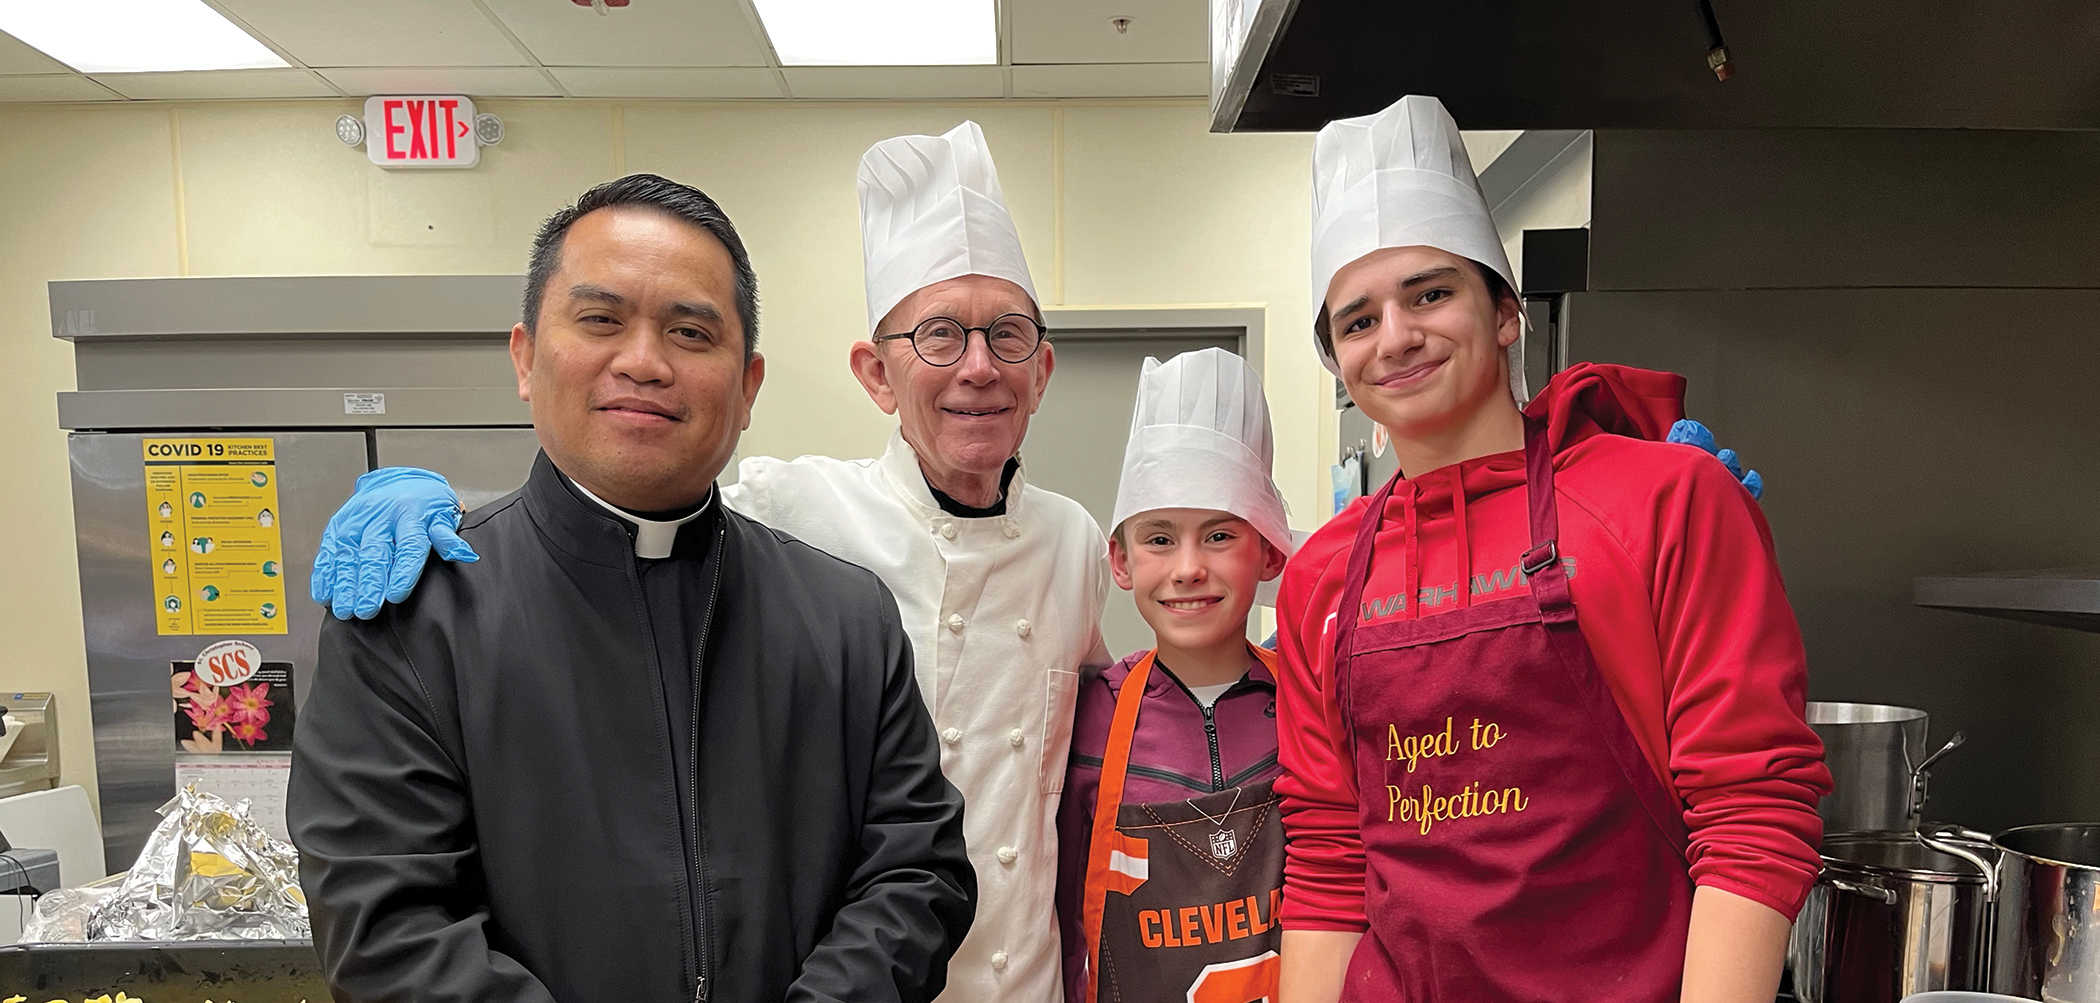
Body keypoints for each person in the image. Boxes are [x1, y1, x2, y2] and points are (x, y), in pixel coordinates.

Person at [307, 124, 1107, 1003]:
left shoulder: (1053, 549)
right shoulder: (423, 613)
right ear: (525, 357)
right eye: (941, 336)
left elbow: (925, 857)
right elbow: (388, 926)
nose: (644, 362)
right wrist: (438, 495)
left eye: (1008, 336)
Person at [1272, 95, 1830, 1003]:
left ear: (1505, 312)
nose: (1396, 337)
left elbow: (1751, 815)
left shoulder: (1666, 501)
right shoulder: (1320, 576)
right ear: (1337, 361)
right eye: (1358, 320)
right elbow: (1331, 860)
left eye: (1430, 293)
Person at [1055, 348, 1295, 1003]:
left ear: (1270, 551)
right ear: (1121, 560)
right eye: (1159, 539)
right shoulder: (1091, 716)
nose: (1188, 568)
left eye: (1219, 536)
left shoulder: (1311, 702)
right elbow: (1060, 927)